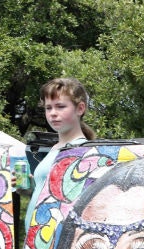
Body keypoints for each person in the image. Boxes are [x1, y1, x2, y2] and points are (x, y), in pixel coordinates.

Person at [17, 77, 96, 231]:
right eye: (48, 108)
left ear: (80, 108)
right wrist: (31, 189)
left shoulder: (82, 150)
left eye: (60, 107)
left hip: (58, 241)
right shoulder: (55, 148)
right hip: (37, 240)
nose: (53, 113)